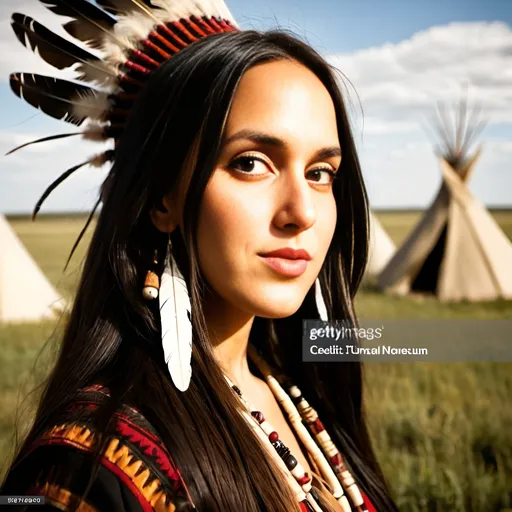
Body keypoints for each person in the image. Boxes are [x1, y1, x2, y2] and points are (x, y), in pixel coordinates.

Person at [1, 1, 397, 511]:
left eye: (321, 172)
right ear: (163, 199)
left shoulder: (305, 398)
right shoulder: (86, 469)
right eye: (251, 163)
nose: (303, 212)